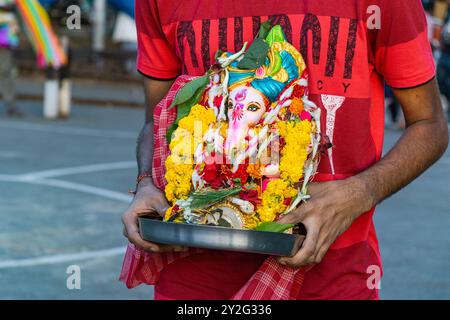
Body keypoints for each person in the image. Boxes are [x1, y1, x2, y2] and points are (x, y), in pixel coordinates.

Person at [121, 0, 449, 299]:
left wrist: (358, 193)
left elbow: (429, 125)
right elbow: (157, 120)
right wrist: (147, 182)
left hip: (330, 281)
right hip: (191, 281)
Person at [0, 0, 20, 116]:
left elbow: (14, 33)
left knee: (6, 74)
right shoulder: (10, 17)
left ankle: (11, 105)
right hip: (5, 48)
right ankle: (11, 105)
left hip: (5, 49)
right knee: (6, 74)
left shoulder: (10, 17)